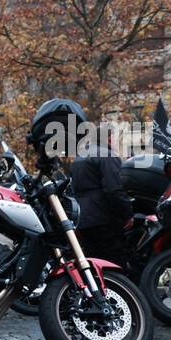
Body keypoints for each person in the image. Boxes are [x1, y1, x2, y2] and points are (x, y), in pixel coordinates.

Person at [28, 97, 133, 266]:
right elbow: (114, 189)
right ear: (108, 138)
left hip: (82, 219)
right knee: (114, 263)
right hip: (104, 219)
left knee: (93, 263)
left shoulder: (81, 156)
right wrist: (127, 213)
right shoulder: (106, 155)